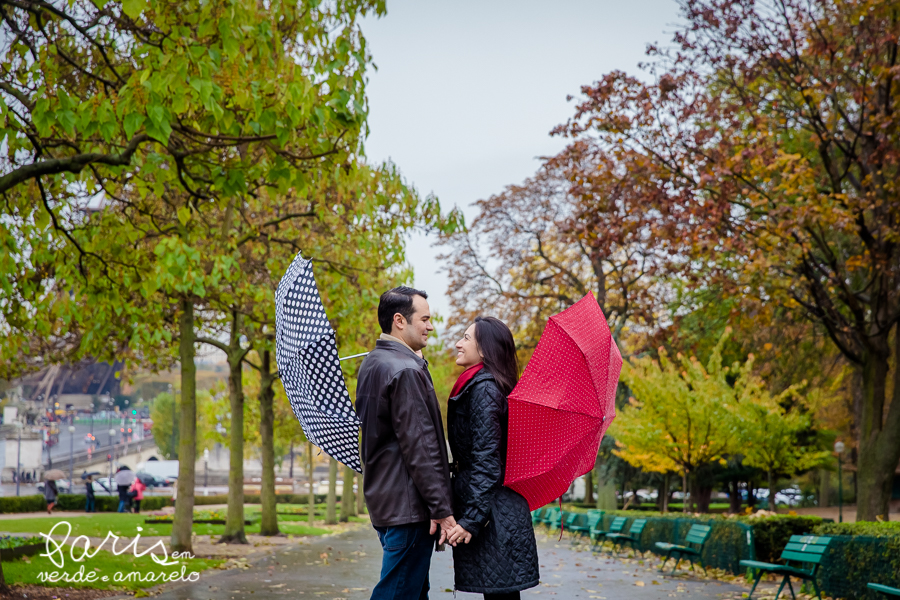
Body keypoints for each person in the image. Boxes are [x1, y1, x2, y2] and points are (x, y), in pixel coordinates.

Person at [356, 287, 456, 600]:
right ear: (400, 321)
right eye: (424, 319)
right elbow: (421, 448)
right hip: (409, 509)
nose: (430, 326)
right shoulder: (405, 370)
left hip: (389, 503)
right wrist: (441, 508)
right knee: (398, 593)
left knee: (414, 591)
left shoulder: (374, 364)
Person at [444, 317, 540, 600]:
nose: (459, 344)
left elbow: (487, 461)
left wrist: (471, 519)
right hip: (495, 509)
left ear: (484, 350)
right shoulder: (482, 385)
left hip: (494, 514)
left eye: (466, 338)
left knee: (501, 596)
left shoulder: (485, 389)